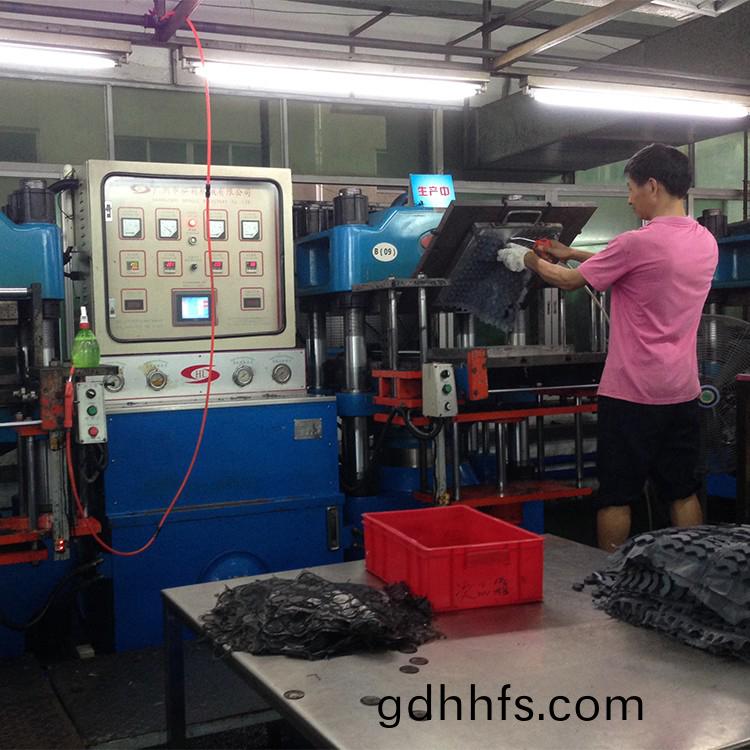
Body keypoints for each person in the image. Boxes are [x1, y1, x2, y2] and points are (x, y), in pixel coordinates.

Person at [506, 143, 718, 551]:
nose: (629, 198)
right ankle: (692, 569)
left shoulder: (636, 242)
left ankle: (607, 578)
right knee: (681, 490)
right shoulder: (704, 241)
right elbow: (641, 264)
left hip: (632, 393)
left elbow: (568, 281)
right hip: (682, 391)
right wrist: (571, 252)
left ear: (652, 186)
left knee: (617, 494)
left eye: (631, 189)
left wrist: (525, 259)